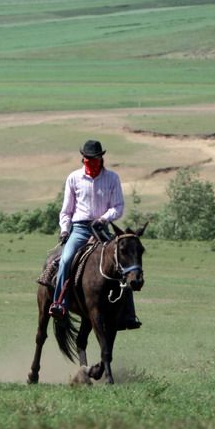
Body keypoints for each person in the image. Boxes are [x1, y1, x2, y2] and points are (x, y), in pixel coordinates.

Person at [49, 139, 141, 330]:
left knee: (124, 263)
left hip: (102, 228)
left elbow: (118, 207)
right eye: (86, 158)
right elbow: (66, 211)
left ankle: (129, 314)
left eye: (93, 158)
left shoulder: (112, 178)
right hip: (80, 229)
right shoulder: (73, 178)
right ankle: (59, 303)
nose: (89, 161)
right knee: (65, 260)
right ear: (82, 158)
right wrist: (65, 230)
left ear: (101, 158)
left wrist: (104, 219)